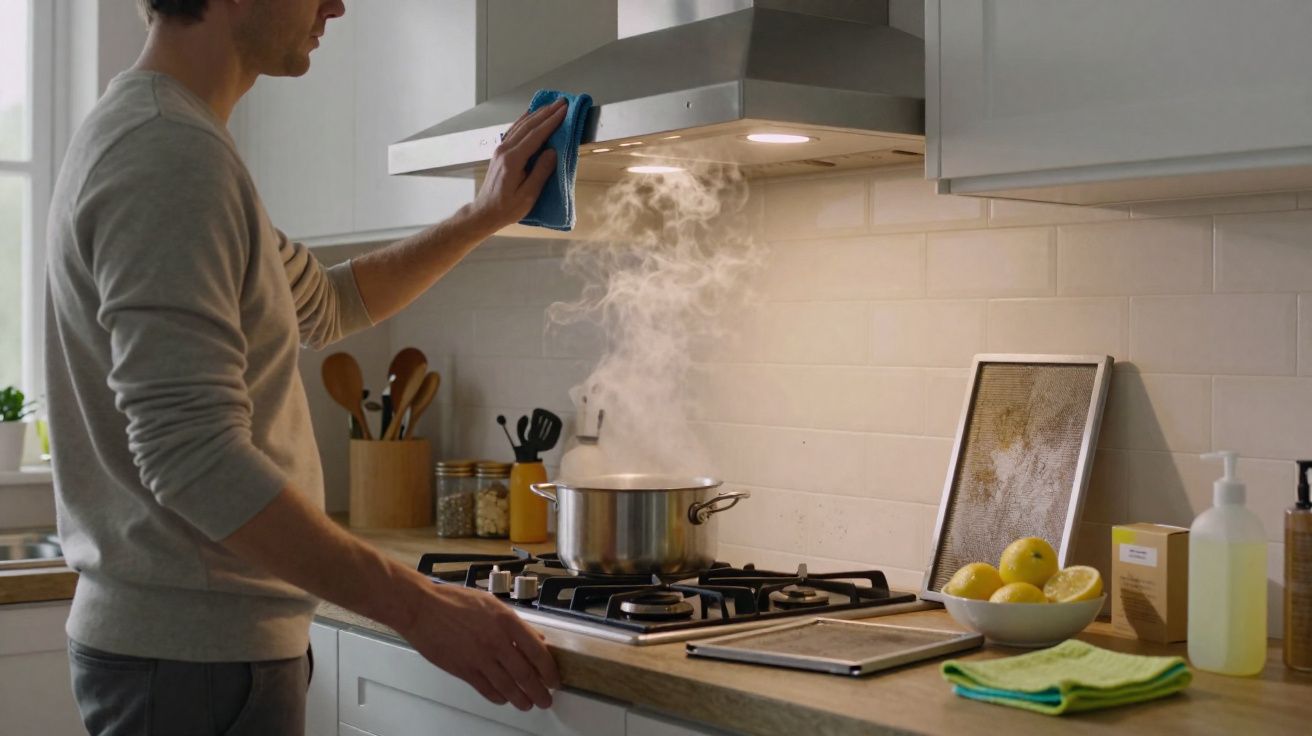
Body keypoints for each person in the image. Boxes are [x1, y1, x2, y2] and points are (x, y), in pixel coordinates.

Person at [44, 1, 566, 733]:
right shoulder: (167, 153)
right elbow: (193, 458)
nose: (336, 5)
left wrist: (481, 215)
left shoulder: (178, 141)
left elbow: (325, 303)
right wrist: (420, 608)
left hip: (200, 656)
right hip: (194, 661)